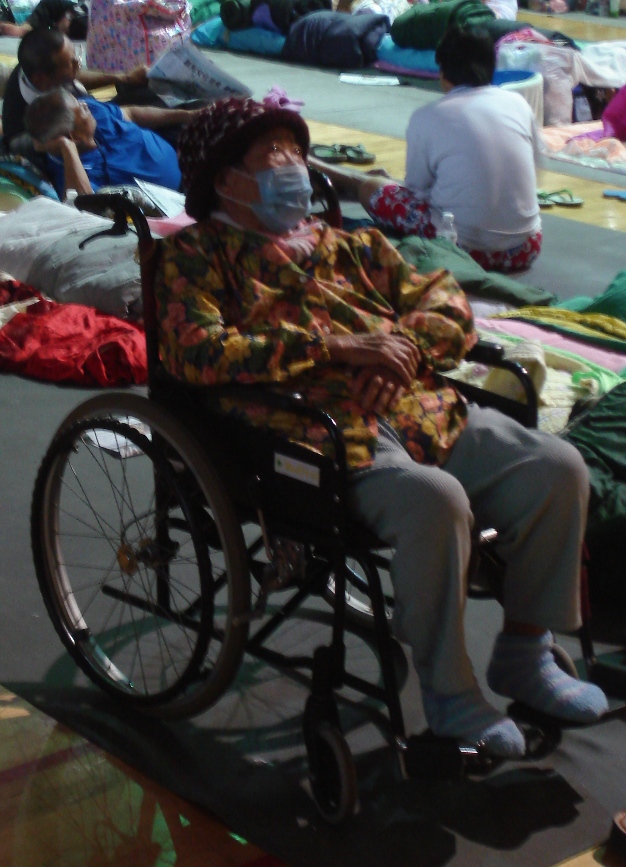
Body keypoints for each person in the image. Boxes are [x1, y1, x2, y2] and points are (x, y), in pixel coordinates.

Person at [154, 95, 608, 758]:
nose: (295, 166)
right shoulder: (196, 256)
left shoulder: (351, 244)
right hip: (310, 433)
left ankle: (525, 652)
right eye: (274, 154)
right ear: (226, 179)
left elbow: (447, 302)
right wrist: (337, 349)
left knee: (557, 468)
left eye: (297, 151)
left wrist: (404, 351)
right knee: (435, 501)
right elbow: (194, 351)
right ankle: (450, 693)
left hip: (414, 407)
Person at [313, 26, 543, 273]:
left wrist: (383, 186)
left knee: (371, 187)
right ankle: (341, 179)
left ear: (442, 71)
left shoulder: (429, 115)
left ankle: (323, 172)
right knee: (385, 184)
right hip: (526, 247)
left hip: (462, 249)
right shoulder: (519, 103)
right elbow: (534, 171)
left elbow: (417, 191)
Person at [24, 88, 198, 197]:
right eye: (81, 109)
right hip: (182, 198)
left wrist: (187, 116)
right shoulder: (73, 173)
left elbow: (131, 114)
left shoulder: (93, 112)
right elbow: (84, 205)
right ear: (72, 137)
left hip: (182, 152)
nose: (86, 105)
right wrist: (68, 147)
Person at [2, 28, 149, 151]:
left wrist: (124, 78)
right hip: (98, 138)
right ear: (40, 79)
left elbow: (73, 76)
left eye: (75, 56)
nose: (78, 64)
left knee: (143, 93)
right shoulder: (32, 125)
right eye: (70, 63)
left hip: (98, 116)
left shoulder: (36, 67)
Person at [0, 0, 87, 40]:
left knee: (78, 23)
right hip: (83, 9)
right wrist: (71, 13)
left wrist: (70, 16)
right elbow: (83, 4)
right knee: (48, 4)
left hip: (88, 20)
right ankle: (25, 28)